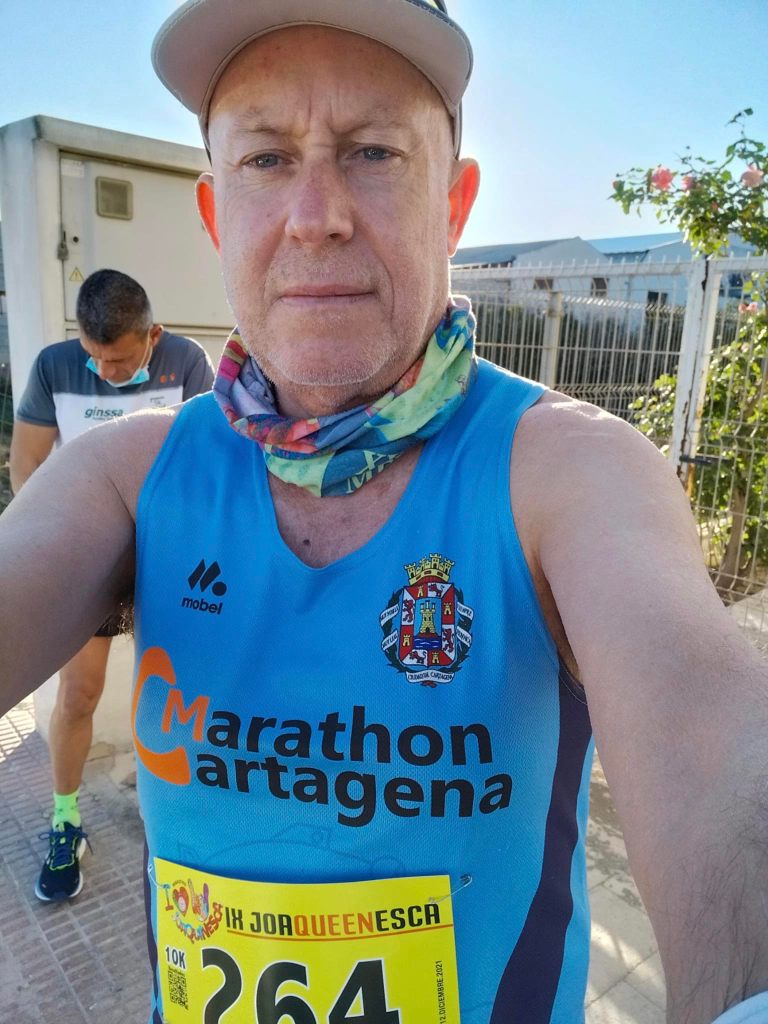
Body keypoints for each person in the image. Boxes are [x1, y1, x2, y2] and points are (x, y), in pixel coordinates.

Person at [1, 3, 767, 1023]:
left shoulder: (569, 473)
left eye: (372, 151)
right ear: (216, 214)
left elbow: (720, 757)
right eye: (267, 158)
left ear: (453, 204)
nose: (316, 214)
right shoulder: (127, 476)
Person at [9, 268, 214, 902]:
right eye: (94, 357)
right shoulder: (54, 367)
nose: (105, 371)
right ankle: (64, 820)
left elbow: (214, 468)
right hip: (94, 562)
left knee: (187, 701)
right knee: (79, 695)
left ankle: (191, 819)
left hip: (171, 564)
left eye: (120, 361)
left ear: (153, 336)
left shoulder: (188, 363)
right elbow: (27, 467)